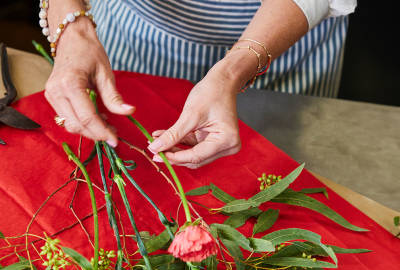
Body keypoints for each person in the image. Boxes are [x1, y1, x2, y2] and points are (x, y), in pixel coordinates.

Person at [43, 0, 356, 168]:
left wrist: (232, 72)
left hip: (283, 41)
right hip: (131, 34)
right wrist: (72, 28)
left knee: (271, 182)